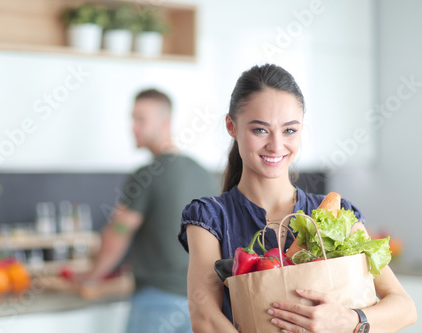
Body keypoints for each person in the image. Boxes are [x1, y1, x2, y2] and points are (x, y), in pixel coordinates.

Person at [178, 64, 417, 332]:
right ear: (231, 127)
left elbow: (404, 306)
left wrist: (350, 320)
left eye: (289, 130)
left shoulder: (334, 213)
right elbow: (205, 318)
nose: (276, 145)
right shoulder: (209, 218)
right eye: (260, 130)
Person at [84, 89, 218, 333]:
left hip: (157, 301)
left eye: (140, 120)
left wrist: (90, 276)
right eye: (132, 119)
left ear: (165, 123)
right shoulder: (203, 173)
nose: (132, 127)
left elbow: (119, 233)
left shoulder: (145, 174)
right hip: (200, 303)